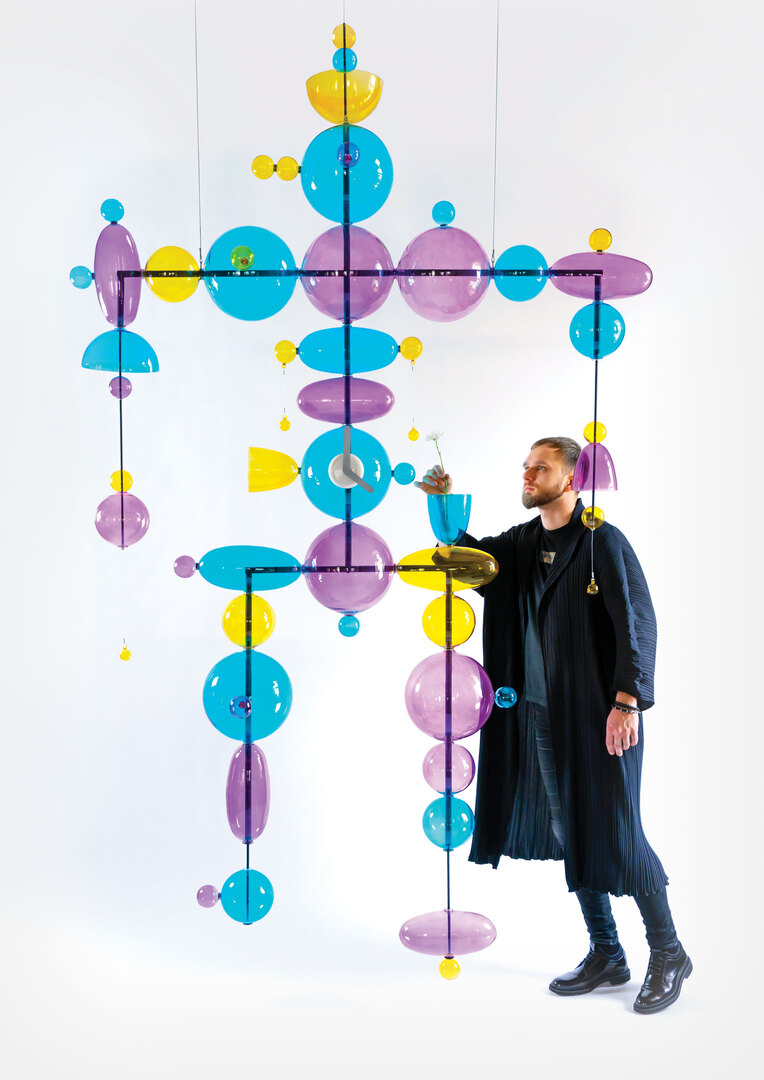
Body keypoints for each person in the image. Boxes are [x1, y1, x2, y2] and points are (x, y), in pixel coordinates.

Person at [415, 437, 691, 1014]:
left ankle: (669, 953)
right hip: (540, 716)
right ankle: (607, 952)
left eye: (540, 467)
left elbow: (638, 621)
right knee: (571, 831)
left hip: (601, 716)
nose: (528, 474)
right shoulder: (522, 543)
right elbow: (471, 561)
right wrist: (442, 504)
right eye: (525, 466)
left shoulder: (601, 541)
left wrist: (627, 702)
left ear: (571, 478)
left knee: (618, 832)